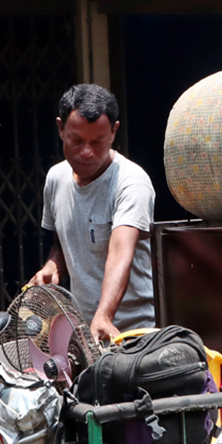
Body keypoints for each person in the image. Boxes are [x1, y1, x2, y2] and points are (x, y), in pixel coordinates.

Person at [28, 84, 156, 344]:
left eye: (97, 142)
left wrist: (105, 315)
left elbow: (120, 253)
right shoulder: (56, 178)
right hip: (86, 334)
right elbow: (67, 243)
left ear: (114, 132)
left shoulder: (131, 183)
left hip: (134, 335)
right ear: (61, 129)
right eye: (76, 140)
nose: (86, 152)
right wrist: (53, 268)